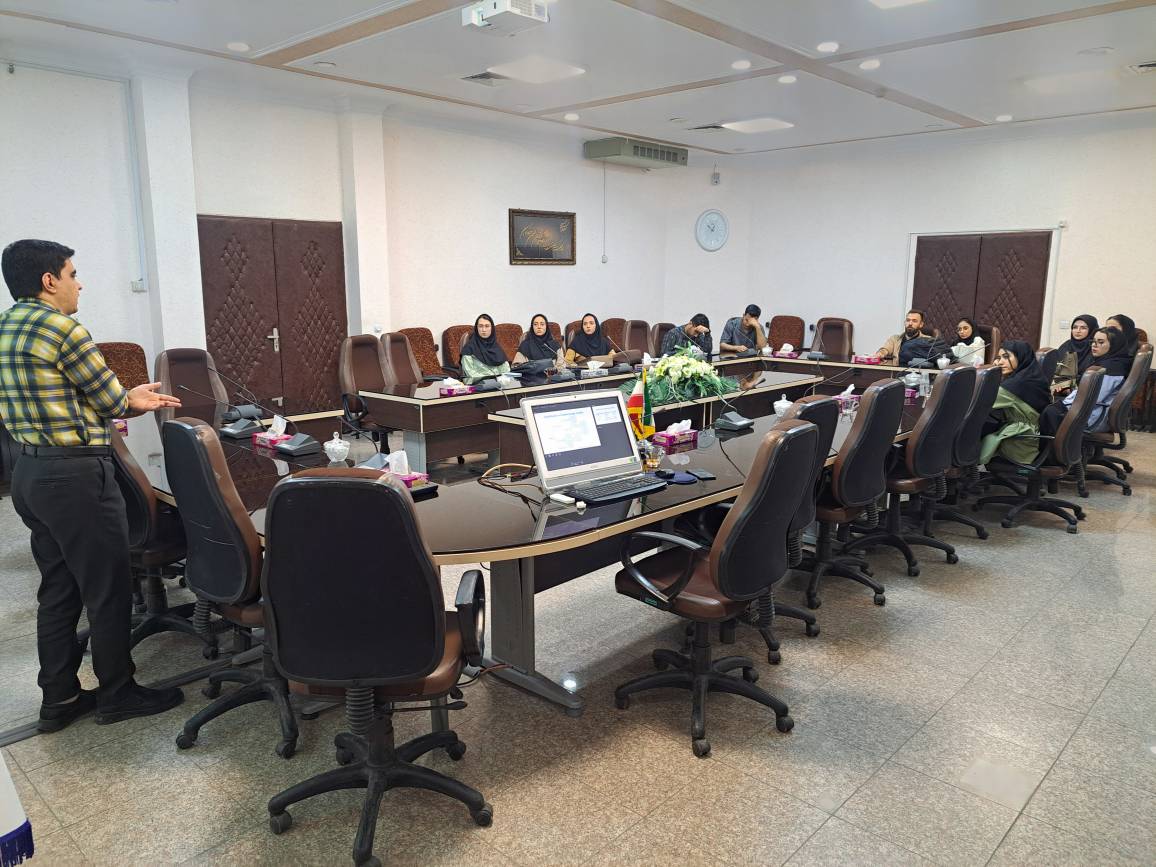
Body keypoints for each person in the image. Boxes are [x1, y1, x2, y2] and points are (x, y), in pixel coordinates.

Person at [0, 239, 185, 731]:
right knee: (108, 588)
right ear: (49, 281)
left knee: (58, 589)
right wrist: (132, 397)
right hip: (75, 477)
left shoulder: (4, 327)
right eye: (72, 273)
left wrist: (123, 395)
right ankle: (118, 693)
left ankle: (59, 698)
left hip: (29, 473)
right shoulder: (64, 329)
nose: (79, 284)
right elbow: (111, 401)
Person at [1039, 326, 1132, 438]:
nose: (1094, 345)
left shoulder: (1113, 368)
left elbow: (1094, 397)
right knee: (1049, 407)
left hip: (1093, 416)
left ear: (1114, 345)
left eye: (1100, 342)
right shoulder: (1106, 362)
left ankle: (1054, 448)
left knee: (1049, 412)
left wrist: (1063, 403)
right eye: (1093, 341)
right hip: (1088, 410)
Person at [978, 339, 1051, 465]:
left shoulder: (1014, 386)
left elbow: (979, 402)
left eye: (1006, 357)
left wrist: (992, 373)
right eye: (999, 358)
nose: (1000, 362)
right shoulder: (1033, 377)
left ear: (1021, 357)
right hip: (1034, 442)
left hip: (1018, 446)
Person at [459, 313, 510, 382]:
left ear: (492, 328)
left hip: (500, 385)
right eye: (480, 326)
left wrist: (501, 382)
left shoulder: (497, 348)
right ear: (476, 328)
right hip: (479, 385)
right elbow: (470, 373)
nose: (484, 330)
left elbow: (506, 371)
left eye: (487, 326)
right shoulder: (469, 348)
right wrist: (490, 381)